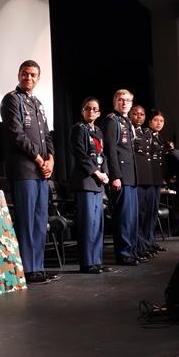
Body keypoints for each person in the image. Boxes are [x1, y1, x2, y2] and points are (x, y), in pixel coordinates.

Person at [0, 60, 57, 284]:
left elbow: (47, 135)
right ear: (19, 74)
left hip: (42, 171)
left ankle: (38, 267)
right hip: (24, 169)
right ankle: (27, 268)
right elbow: (16, 134)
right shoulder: (11, 100)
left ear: (38, 78)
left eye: (33, 75)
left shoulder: (38, 103)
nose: (29, 78)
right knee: (26, 221)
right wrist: (39, 159)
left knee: (40, 220)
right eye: (25, 74)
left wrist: (51, 159)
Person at [69, 97, 111, 274]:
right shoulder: (79, 129)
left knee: (98, 224)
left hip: (98, 181)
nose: (91, 112)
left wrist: (106, 173)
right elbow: (80, 154)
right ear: (82, 111)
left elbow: (103, 155)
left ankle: (96, 260)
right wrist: (97, 173)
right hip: (86, 180)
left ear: (99, 113)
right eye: (88, 109)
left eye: (95, 109)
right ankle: (87, 263)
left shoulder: (99, 131)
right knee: (88, 223)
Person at [101, 89, 139, 266]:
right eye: (120, 100)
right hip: (121, 177)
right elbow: (110, 151)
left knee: (131, 217)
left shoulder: (126, 121)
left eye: (127, 100)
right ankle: (123, 253)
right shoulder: (111, 121)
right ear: (115, 101)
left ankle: (131, 250)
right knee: (123, 217)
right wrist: (115, 176)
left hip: (131, 177)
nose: (124, 103)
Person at [129, 105, 158, 259]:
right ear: (130, 115)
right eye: (135, 114)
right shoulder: (128, 131)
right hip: (137, 180)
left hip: (149, 180)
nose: (139, 117)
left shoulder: (145, 133)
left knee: (148, 215)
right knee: (138, 216)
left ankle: (146, 244)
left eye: (142, 114)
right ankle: (139, 246)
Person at [147, 109, 168, 251]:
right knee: (147, 213)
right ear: (149, 121)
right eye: (156, 120)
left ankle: (151, 241)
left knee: (153, 212)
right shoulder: (145, 135)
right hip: (147, 179)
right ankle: (145, 243)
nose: (159, 123)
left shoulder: (159, 138)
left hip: (156, 179)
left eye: (161, 121)